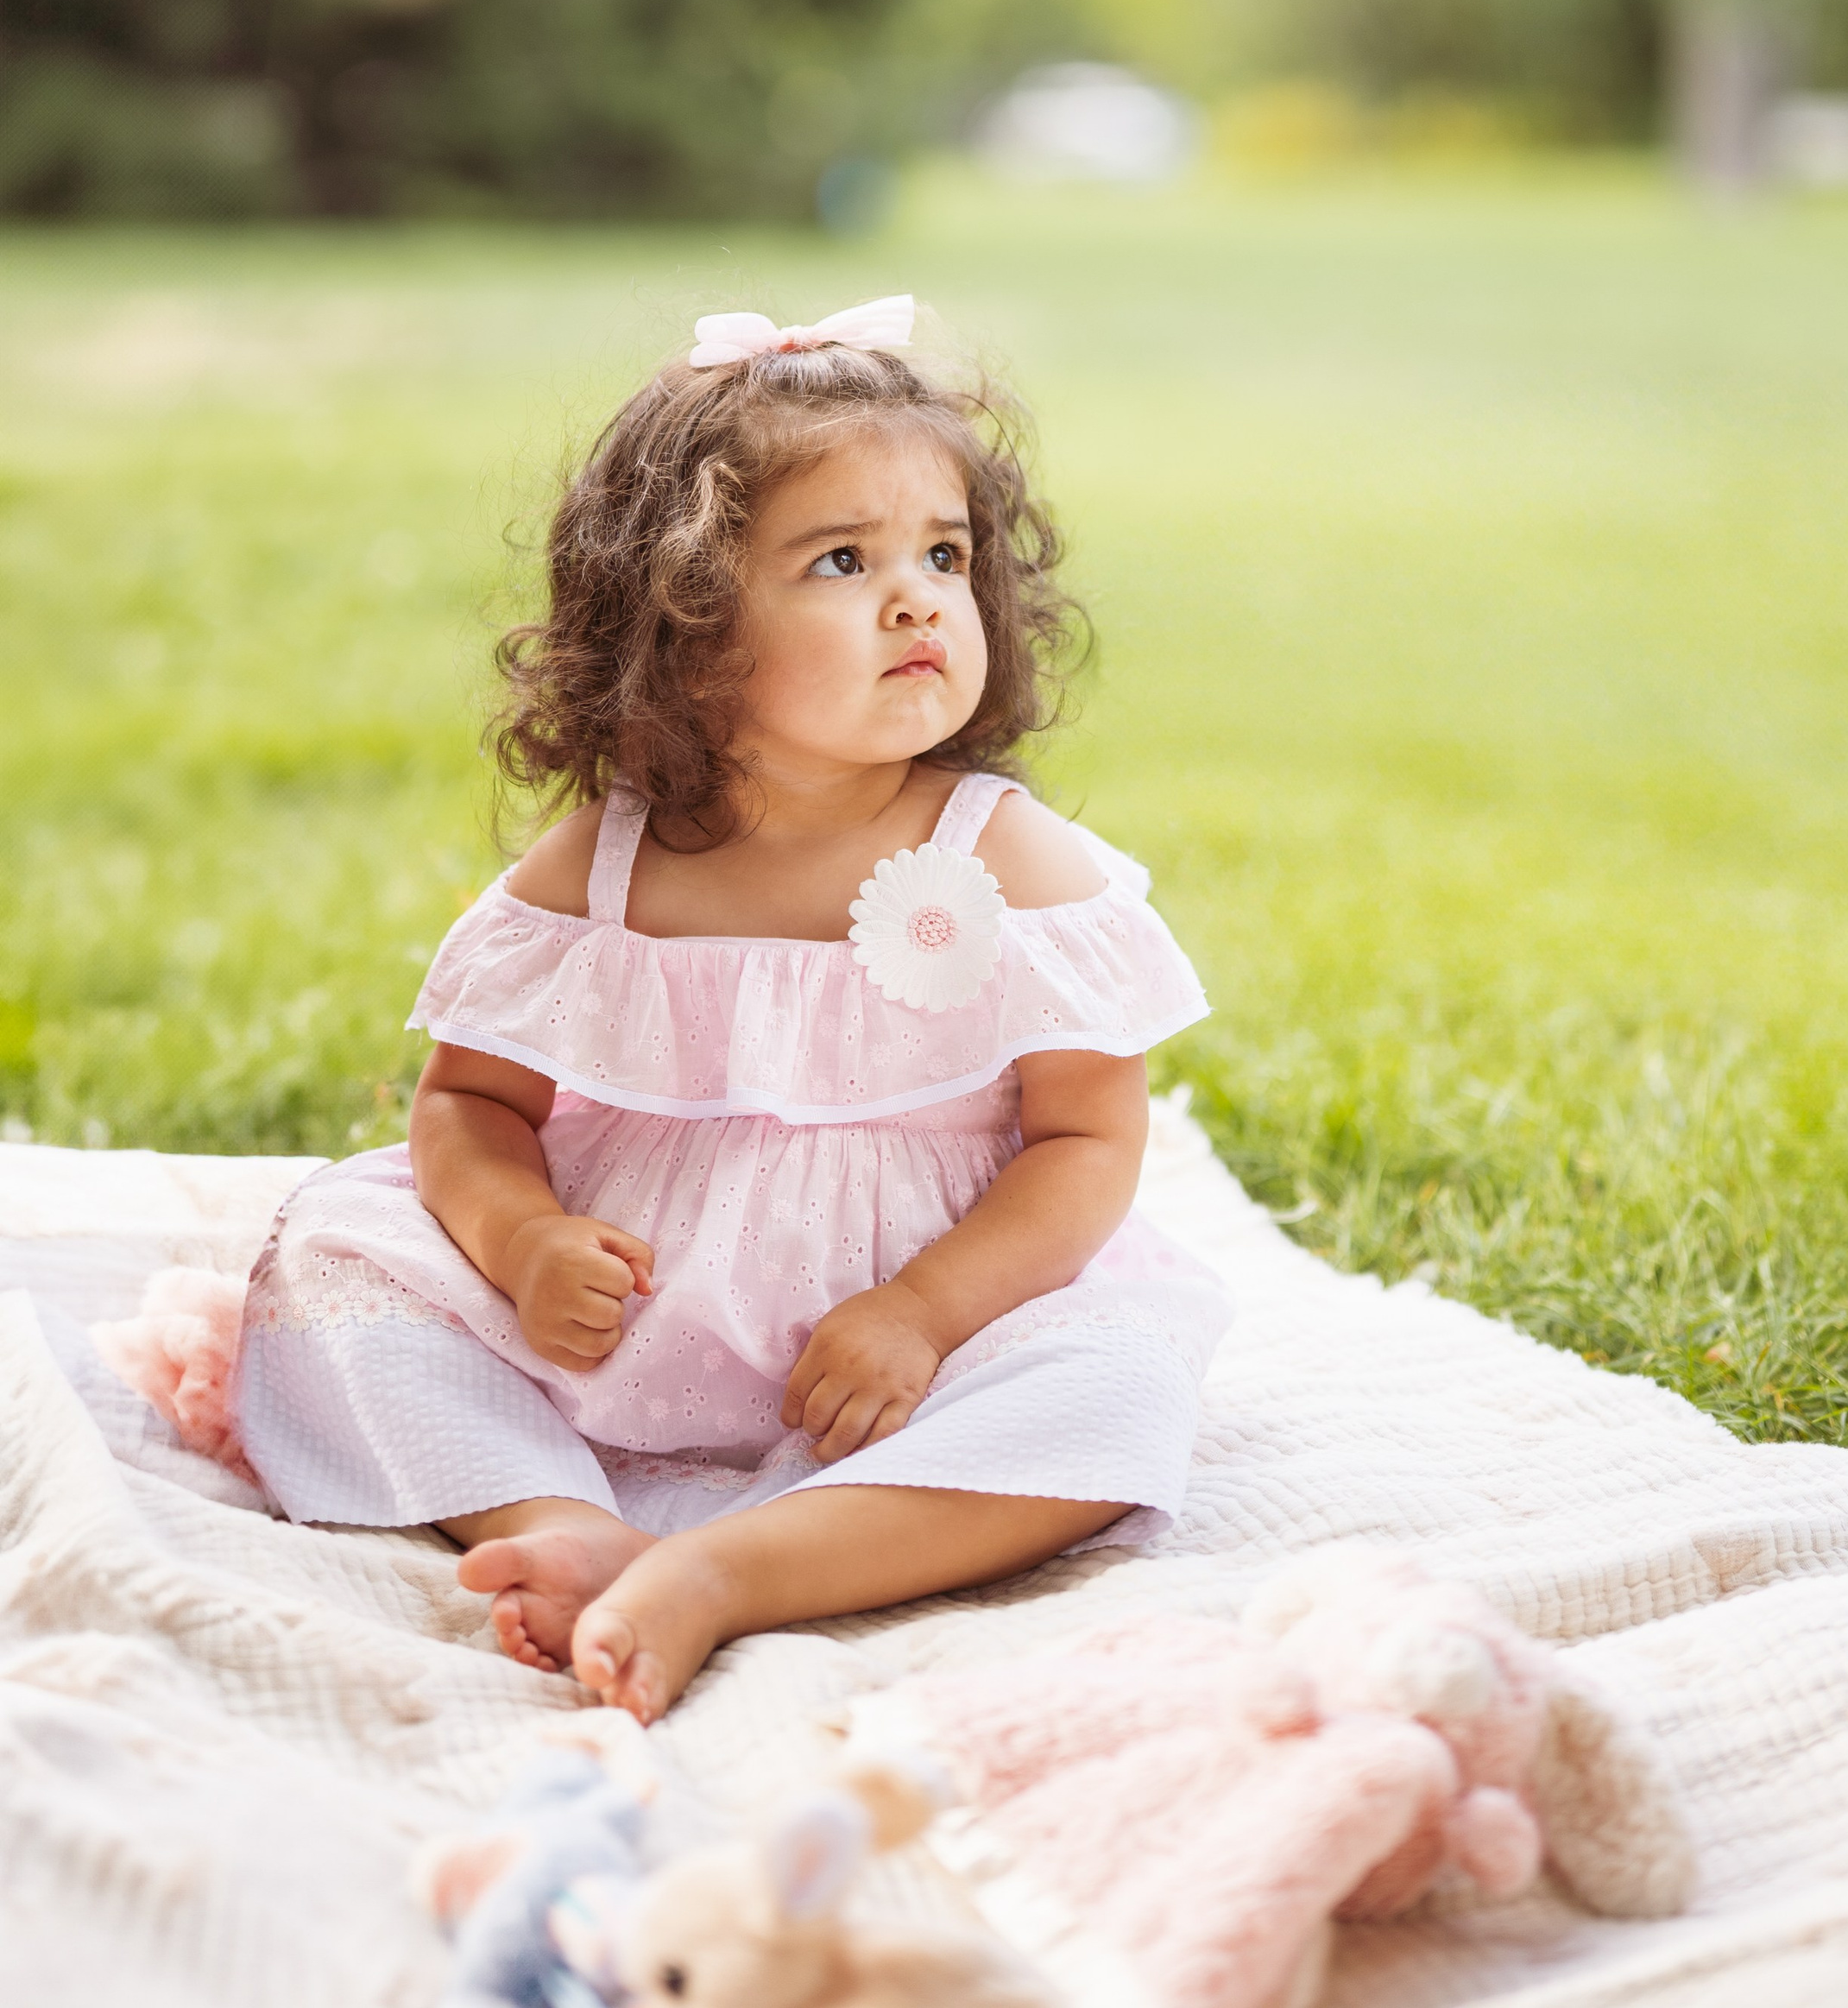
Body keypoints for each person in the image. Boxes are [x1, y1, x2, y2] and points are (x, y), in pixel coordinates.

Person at [232, 295, 1229, 1726]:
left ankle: (735, 1575)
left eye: (943, 556)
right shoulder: (611, 863)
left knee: (1118, 1386)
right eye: (843, 559)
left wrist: (923, 1313)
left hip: (905, 1357)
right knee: (329, 1259)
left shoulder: (1004, 859)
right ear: (687, 626)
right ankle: (556, 1517)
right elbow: (468, 1105)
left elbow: (1086, 1142)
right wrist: (519, 1244)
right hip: (622, 1324)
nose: (917, 600)